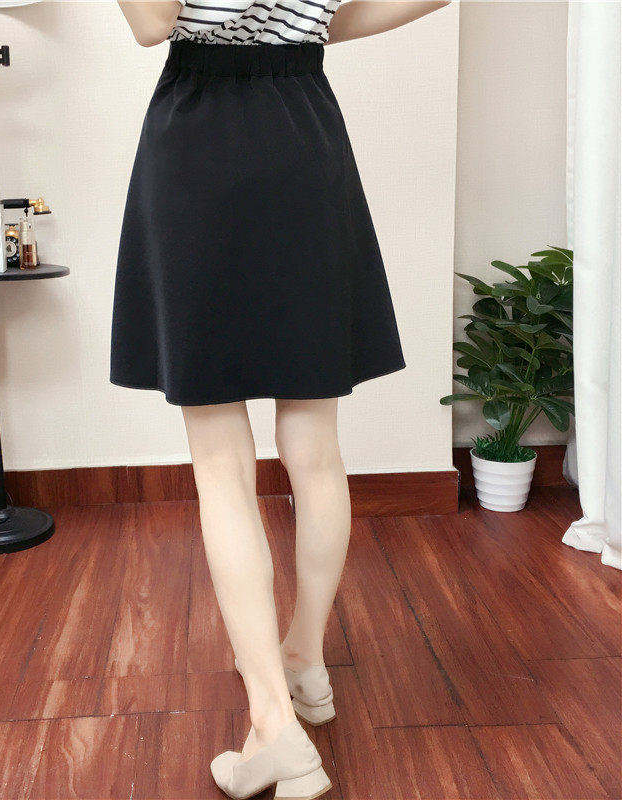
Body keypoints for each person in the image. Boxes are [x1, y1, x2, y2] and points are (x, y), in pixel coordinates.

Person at [111, 2, 450, 797]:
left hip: (201, 140)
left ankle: (273, 726)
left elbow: (152, 24)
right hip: (305, 132)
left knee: (222, 464)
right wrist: (304, 22)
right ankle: (304, 659)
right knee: (317, 449)